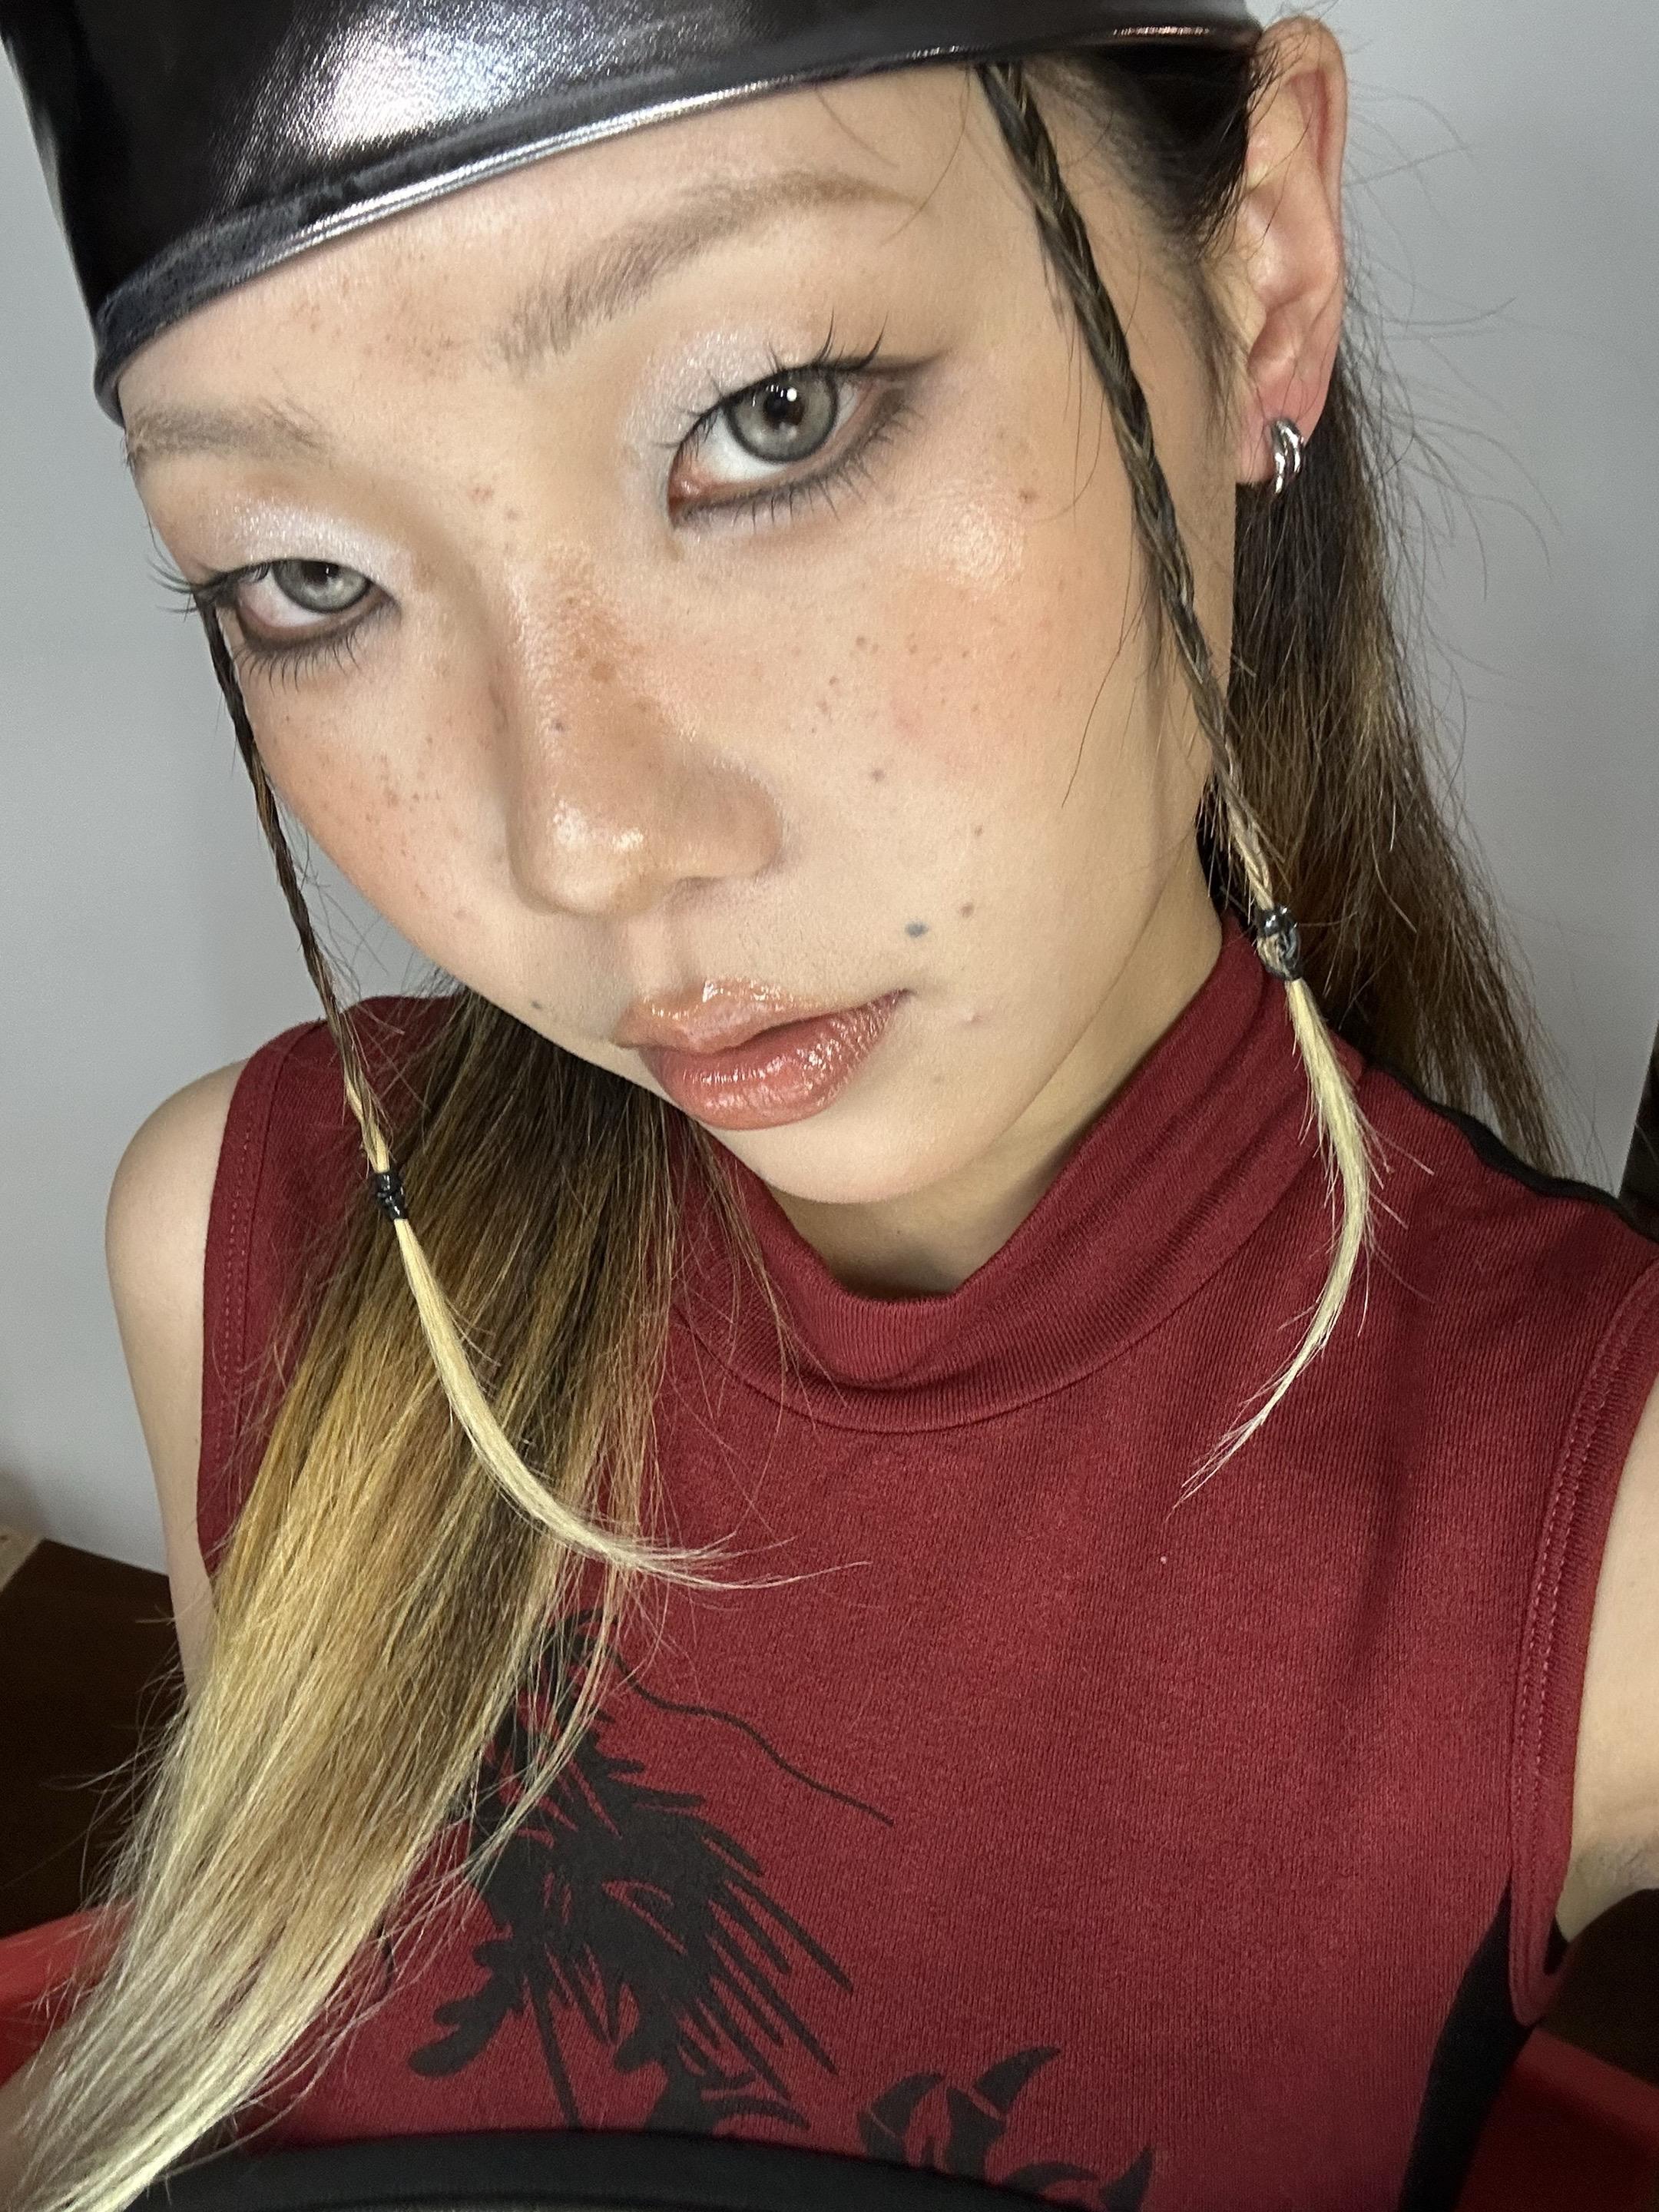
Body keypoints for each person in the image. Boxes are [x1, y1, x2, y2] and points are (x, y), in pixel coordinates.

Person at [2, 2, 1656, 2207]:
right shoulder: (252, 1240)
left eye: (772, 414)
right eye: (308, 578)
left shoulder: (1606, 1542)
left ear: (1261, 261)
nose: (585, 843)